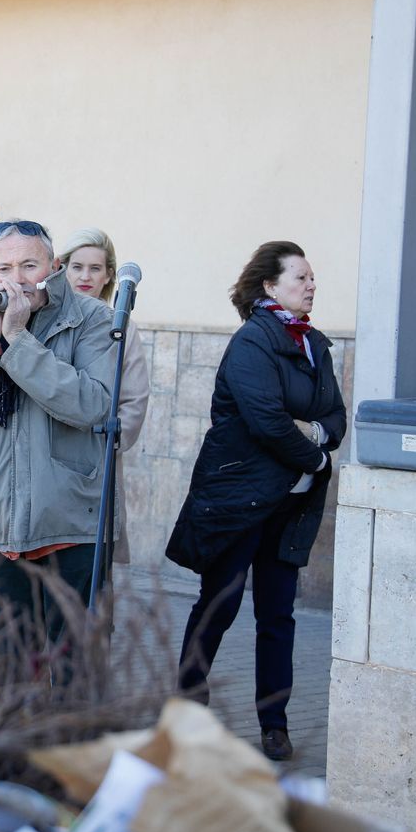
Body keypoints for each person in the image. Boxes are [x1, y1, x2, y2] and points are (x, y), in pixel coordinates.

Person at [168, 241, 346, 762]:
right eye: (301, 277)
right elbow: (266, 420)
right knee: (218, 605)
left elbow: (335, 418)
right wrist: (313, 459)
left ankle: (275, 723)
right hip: (239, 499)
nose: (311, 285)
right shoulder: (253, 341)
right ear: (270, 285)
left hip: (289, 506)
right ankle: (187, 708)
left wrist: (313, 432)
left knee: (278, 616)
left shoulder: (315, 345)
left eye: (313, 277)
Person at [0, 220, 117, 683]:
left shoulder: (93, 319)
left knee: (72, 677)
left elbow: (91, 405)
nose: (15, 278)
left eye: (28, 265)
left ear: (52, 267)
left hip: (69, 524)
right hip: (0, 524)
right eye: (3, 267)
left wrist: (18, 341)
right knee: (9, 678)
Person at [58, 227, 151, 565]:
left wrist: (103, 445)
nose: (85, 276)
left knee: (92, 578)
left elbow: (135, 400)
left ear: (109, 274)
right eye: (77, 266)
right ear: (62, 268)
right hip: (46, 468)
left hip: (95, 465)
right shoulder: (45, 319)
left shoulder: (121, 324)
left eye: (95, 268)